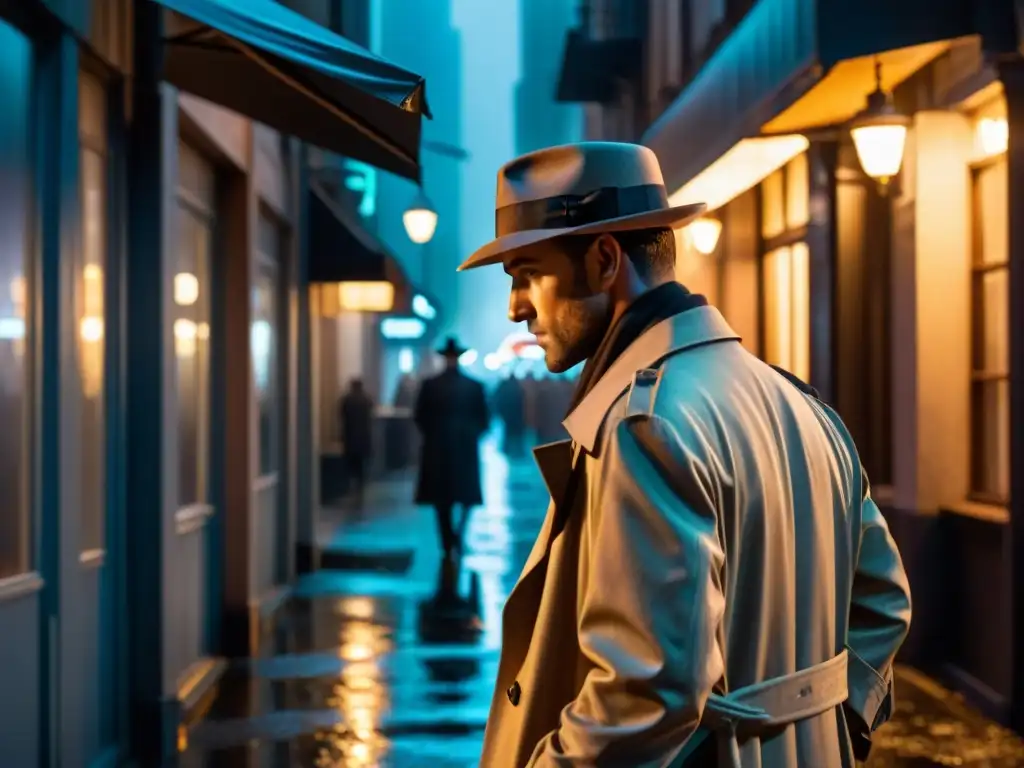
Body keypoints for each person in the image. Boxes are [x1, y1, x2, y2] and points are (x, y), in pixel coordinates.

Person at [456, 142, 912, 767]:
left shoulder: (644, 426)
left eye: (529, 273)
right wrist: (831, 724)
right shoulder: (801, 404)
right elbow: (883, 602)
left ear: (604, 259)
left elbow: (644, 695)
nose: (517, 307)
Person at [413, 337, 491, 564]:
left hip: (438, 451)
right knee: (465, 496)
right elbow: (484, 420)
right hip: (464, 450)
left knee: (442, 500)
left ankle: (448, 541)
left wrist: (434, 435)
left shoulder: (430, 385)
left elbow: (420, 417)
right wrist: (470, 434)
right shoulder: (474, 386)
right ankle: (456, 536)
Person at [338, 378, 374, 510]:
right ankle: (360, 489)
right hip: (364, 438)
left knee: (351, 465)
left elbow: (341, 416)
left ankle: (352, 489)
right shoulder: (366, 400)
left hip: (350, 437)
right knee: (361, 466)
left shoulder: (346, 400)